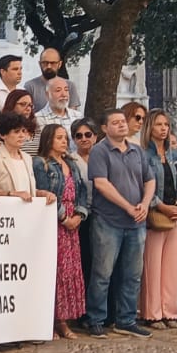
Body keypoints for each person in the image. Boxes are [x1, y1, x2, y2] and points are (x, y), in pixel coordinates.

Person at [84, 108, 157, 339]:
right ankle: (96, 319)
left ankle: (126, 320)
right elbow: (101, 184)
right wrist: (127, 206)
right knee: (102, 273)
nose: (121, 125)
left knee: (132, 274)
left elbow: (150, 179)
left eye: (122, 122)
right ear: (105, 128)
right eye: (115, 123)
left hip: (136, 222)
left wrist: (145, 204)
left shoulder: (137, 150)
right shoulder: (99, 151)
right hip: (108, 220)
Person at [35, 124, 88, 340]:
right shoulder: (41, 164)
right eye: (59, 138)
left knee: (69, 273)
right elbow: (43, 192)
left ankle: (64, 320)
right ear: (49, 140)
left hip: (71, 225)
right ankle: (49, 321)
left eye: (65, 138)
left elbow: (82, 193)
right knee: (54, 272)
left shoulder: (71, 164)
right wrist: (64, 218)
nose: (64, 141)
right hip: (53, 223)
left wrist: (79, 215)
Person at [139, 109, 177, 329]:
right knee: (153, 265)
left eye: (166, 125)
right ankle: (152, 312)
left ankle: (170, 310)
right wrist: (160, 206)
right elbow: (143, 185)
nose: (163, 129)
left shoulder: (175, 155)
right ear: (150, 128)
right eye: (159, 125)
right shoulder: (143, 155)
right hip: (156, 214)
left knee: (171, 266)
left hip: (175, 213)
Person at [0, 112, 53, 203]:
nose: (22, 135)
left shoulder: (27, 158)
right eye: (16, 132)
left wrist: (42, 193)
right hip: (3, 213)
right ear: (2, 135)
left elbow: (27, 191)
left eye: (23, 131)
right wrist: (11, 193)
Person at [70, 118, 100, 318]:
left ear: (95, 136)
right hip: (81, 216)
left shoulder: (103, 157)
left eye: (88, 134)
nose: (84, 139)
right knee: (85, 262)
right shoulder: (71, 161)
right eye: (78, 136)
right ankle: (84, 312)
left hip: (103, 215)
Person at [1, 89, 41, 156]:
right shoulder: (3, 128)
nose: (28, 109)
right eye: (23, 104)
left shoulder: (36, 127)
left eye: (30, 105)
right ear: (12, 105)